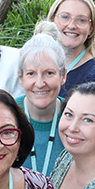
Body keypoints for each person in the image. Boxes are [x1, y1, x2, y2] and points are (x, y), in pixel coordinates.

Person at [14, 32, 67, 176]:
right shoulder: (7, 115)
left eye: (49, 73)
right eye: (31, 73)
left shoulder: (74, 118)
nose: (39, 83)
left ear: (63, 76)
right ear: (21, 77)